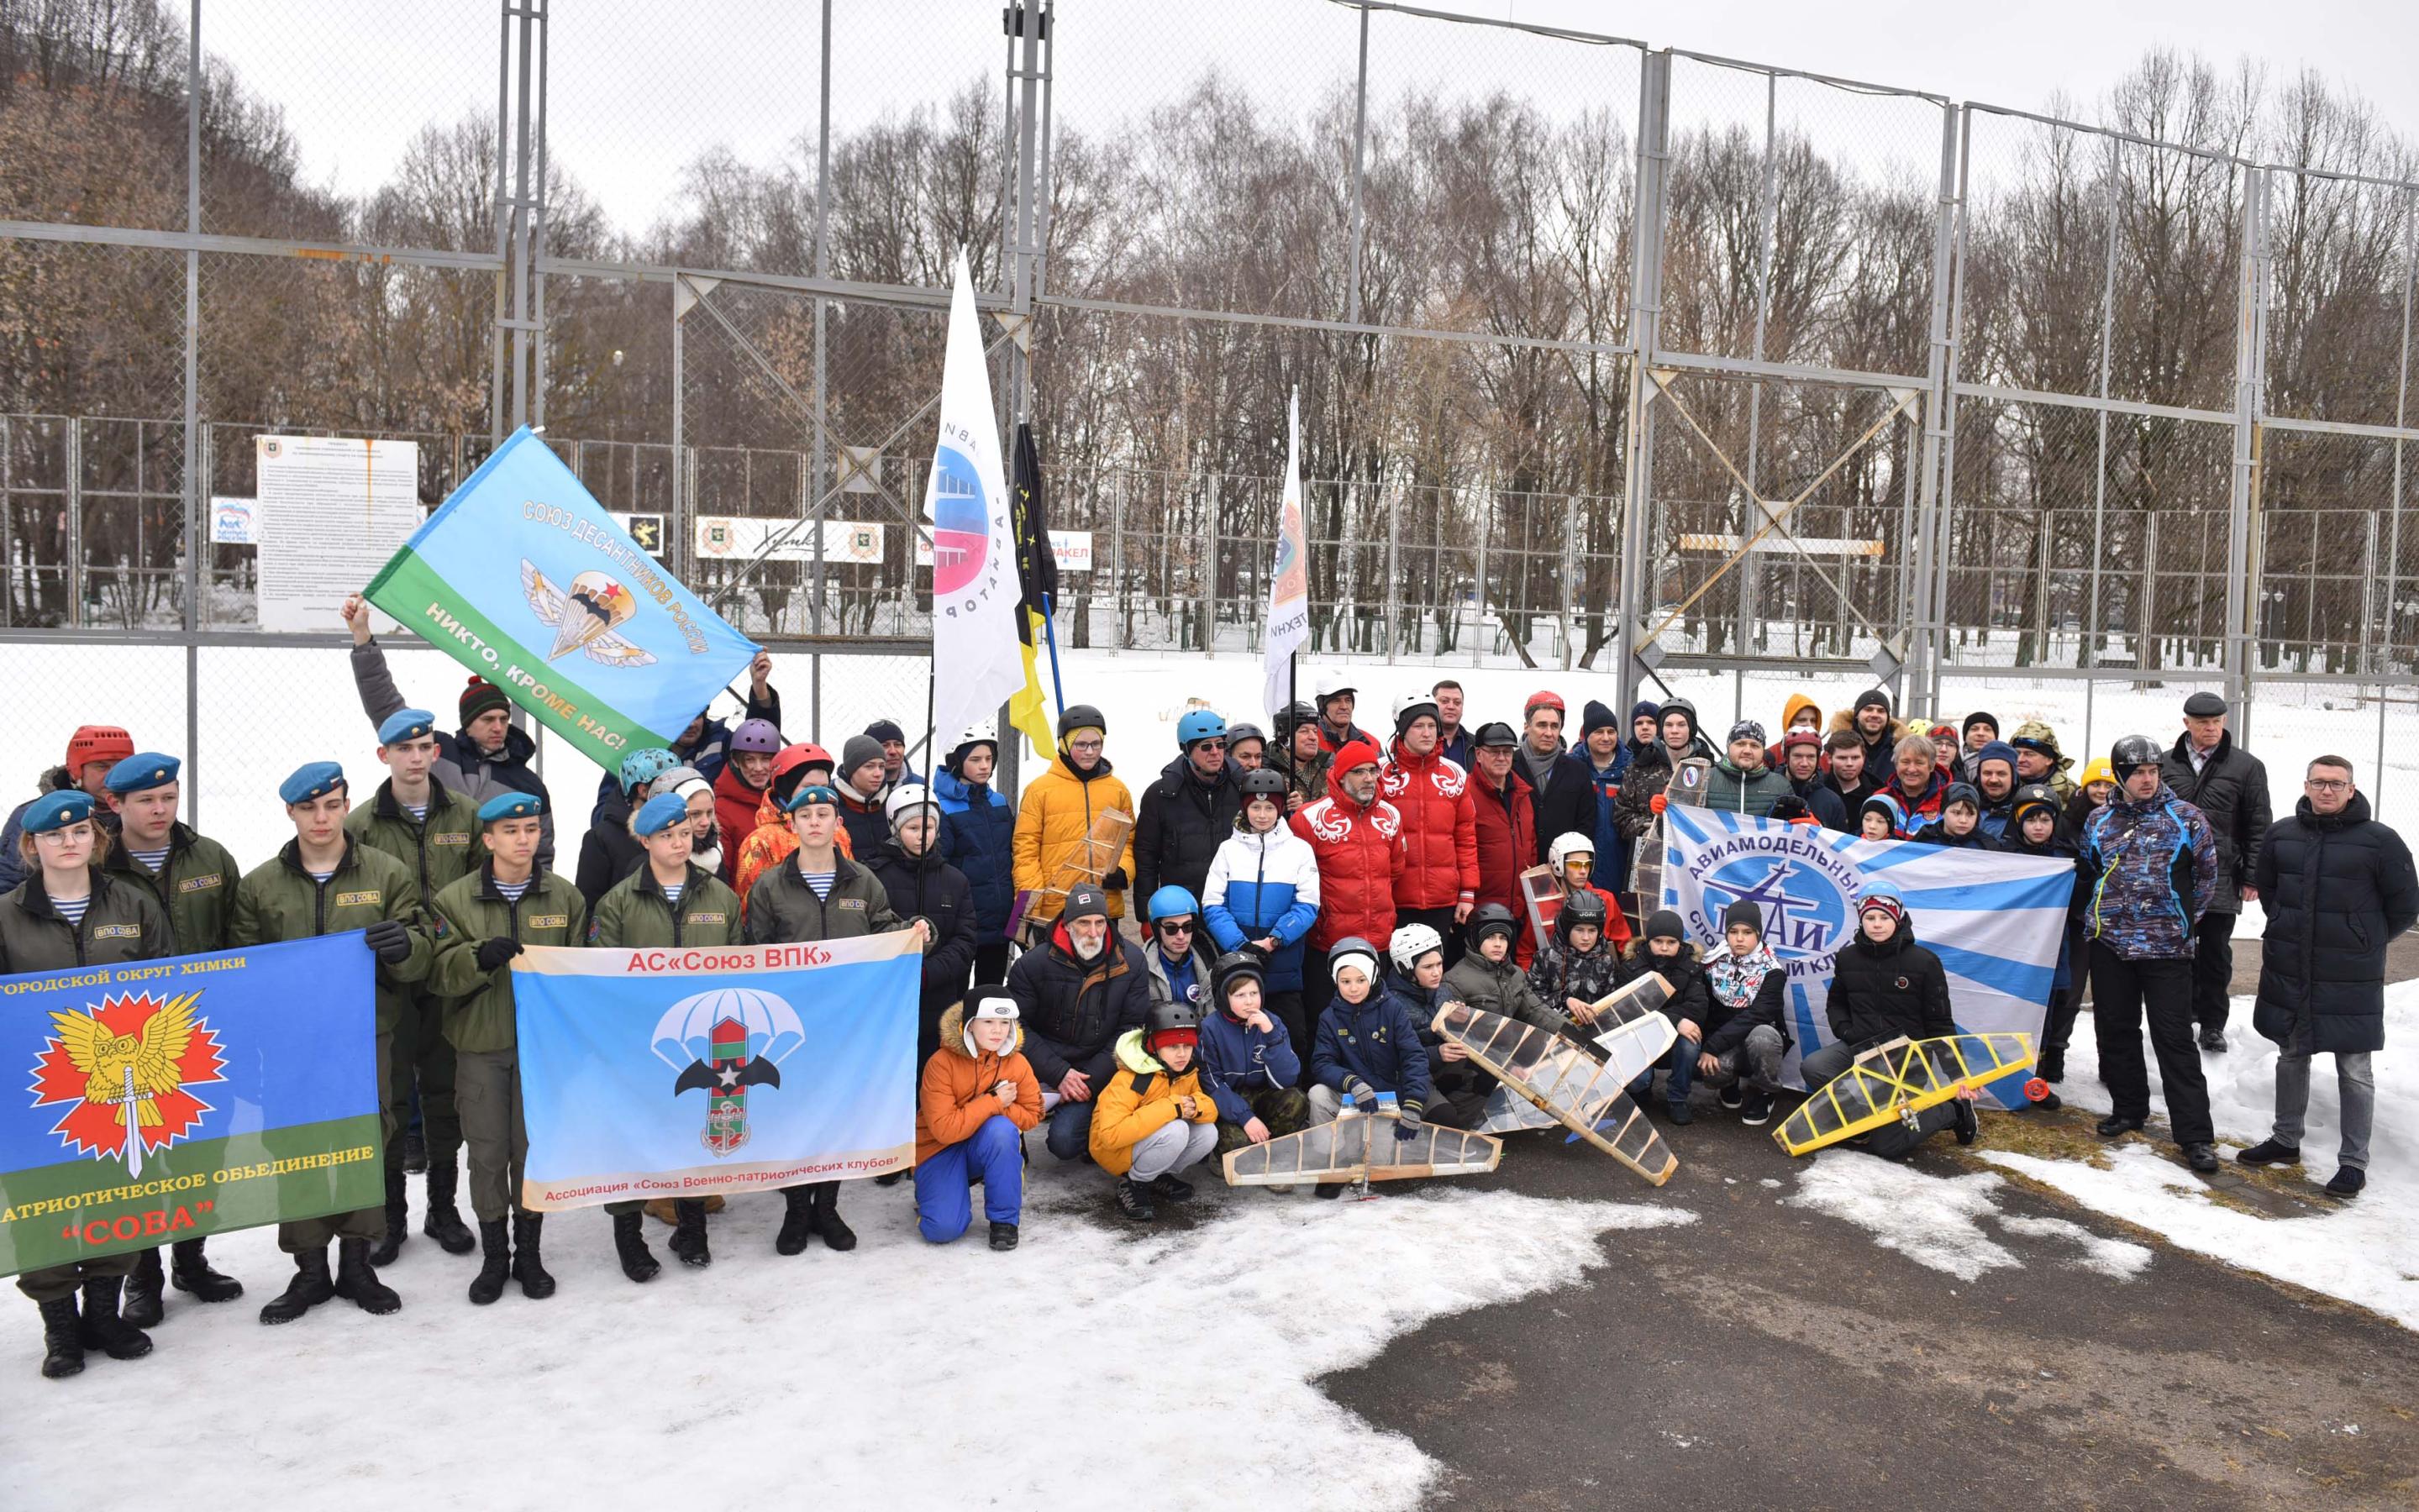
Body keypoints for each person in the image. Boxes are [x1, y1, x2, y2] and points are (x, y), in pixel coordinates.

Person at [229, 761, 430, 1326]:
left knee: (363, 1139)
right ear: (290, 812)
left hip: (364, 1036)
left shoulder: (387, 874)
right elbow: (245, 973)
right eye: (309, 808)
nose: (322, 818)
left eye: (333, 805)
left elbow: (421, 948)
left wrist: (404, 946)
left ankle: (358, 1263)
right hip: (291, 1044)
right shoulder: (260, 885)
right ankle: (310, 1268)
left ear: (346, 805)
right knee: (295, 1143)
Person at [3, 790, 173, 1378]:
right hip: (38, 1092)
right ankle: (61, 1327)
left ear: (96, 841)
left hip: (121, 1086)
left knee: (120, 1191)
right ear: (32, 846)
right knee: (42, 1202)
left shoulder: (133, 902)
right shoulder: (6, 916)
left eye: (79, 834)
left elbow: (165, 984)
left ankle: (103, 1313)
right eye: (54, 836)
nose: (68, 844)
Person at [744, 780, 931, 1252]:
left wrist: (914, 931)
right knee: (794, 1114)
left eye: (823, 815)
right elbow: (756, 952)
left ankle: (826, 1206)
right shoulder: (771, 885)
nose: (814, 823)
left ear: (836, 822)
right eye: (805, 816)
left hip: (846, 1024)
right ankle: (795, 1209)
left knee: (835, 1113)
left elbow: (884, 927)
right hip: (790, 1025)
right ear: (792, 823)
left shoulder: (862, 880)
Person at [96, 752, 245, 1320]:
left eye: (169, 798)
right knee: (136, 1158)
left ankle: (190, 1257)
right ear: (116, 805)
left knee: (203, 1154)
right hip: (127, 1050)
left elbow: (239, 941)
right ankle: (144, 1275)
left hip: (203, 1037)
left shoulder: (209, 857)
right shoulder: (100, 868)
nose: (160, 810)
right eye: (146, 801)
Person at [429, 790, 588, 1304]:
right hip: (482, 1045)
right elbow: (436, 976)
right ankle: (495, 1255)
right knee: (488, 1152)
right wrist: (476, 957)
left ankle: (531, 1252)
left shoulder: (565, 899)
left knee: (533, 1151)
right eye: (512, 832)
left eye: (532, 830)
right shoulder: (453, 901)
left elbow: (582, 972)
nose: (524, 840)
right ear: (489, 839)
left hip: (543, 1052)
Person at [2238, 757, 2419, 1200]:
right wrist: (2286, 923)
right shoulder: (2282, 834)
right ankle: (2286, 1139)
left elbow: (2405, 907)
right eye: (2319, 782)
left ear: (2352, 789)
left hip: (2351, 973)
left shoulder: (2381, 842)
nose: (2327, 790)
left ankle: (2354, 1162)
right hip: (2292, 966)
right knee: (2291, 1054)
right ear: (2305, 785)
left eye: (2336, 784)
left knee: (2355, 1068)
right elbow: (2271, 892)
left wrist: (2364, 939)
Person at [342, 711, 485, 1265]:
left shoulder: (466, 816)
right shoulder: (361, 825)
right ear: (385, 756)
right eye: (405, 748)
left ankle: (444, 1209)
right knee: (391, 1099)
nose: (417, 757)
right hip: (389, 982)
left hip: (449, 979)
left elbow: (481, 891)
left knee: (445, 1098)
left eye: (425, 746)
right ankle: (390, 1215)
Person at [586, 790, 744, 1277]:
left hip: (703, 1041)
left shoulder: (719, 896)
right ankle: (629, 1237)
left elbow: (738, 966)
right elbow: (602, 976)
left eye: (684, 833)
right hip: (638, 1043)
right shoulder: (618, 903)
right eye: (667, 836)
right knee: (632, 1136)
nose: (679, 842)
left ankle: (691, 1228)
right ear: (644, 840)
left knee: (694, 1131)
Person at [2080, 736, 2221, 1173]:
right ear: (2120, 775)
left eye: (2153, 771)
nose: (2147, 779)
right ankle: (2129, 1109)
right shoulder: (2099, 820)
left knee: (2174, 1038)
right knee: (2116, 1028)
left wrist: (2178, 921)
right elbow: (2092, 869)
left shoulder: (2186, 818)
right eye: (2138, 772)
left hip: (2166, 949)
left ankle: (2195, 1136)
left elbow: (2207, 877)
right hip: (2111, 944)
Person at [344, 596, 555, 862]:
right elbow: (384, 703)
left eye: (504, 718)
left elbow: (542, 855)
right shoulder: (435, 751)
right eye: (487, 720)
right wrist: (362, 637)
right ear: (468, 723)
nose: (498, 727)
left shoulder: (528, 784)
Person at [1803, 892, 1976, 1158]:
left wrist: (1958, 1075)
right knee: (1815, 1067)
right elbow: (1835, 1004)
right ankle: (1860, 1122)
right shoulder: (1847, 958)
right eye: (1870, 917)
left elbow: (1940, 1022)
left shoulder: (1925, 962)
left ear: (1898, 919)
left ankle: (1953, 1111)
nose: (1877, 924)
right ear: (1862, 921)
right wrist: (1847, 1032)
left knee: (1887, 1146)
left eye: (1884, 917)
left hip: (1907, 1057)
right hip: (1861, 1047)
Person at [2159, 693, 2272, 1053]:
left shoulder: (2247, 767)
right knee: (2175, 952)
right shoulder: (2163, 764)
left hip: (2222, 875)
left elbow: (2258, 823)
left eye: (2217, 721)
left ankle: (2212, 1024)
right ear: (2186, 723)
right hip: (2171, 877)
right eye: (2203, 722)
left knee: (2214, 954)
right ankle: (2178, 1018)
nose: (2211, 728)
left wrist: (2252, 875)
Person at [1007, 883, 1147, 1163]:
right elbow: (1015, 1025)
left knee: (1065, 1142)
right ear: (1067, 924)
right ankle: (1008, 1147)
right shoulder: (1033, 964)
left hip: (1098, 1070)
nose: (1093, 933)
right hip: (1047, 1064)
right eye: (1084, 923)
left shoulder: (1131, 961)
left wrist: (1088, 1081)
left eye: (1099, 923)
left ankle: (1094, 1122)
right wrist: (1059, 1073)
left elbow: (1131, 1029)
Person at [1309, 936, 1449, 1196]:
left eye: (1361, 980)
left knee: (1380, 1168)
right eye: (1346, 981)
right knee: (1317, 1094)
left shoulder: (1392, 1009)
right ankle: (1332, 1164)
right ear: (1335, 981)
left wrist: (1413, 1103)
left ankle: (1376, 1155)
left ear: (1372, 976)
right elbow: (1321, 1062)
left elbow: (1414, 1057)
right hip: (1353, 1096)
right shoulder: (1329, 1017)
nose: (1353, 988)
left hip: (1387, 1100)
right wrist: (1351, 1082)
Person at [1201, 767, 1322, 1068]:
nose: (1263, 815)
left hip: (1282, 964)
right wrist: (1241, 945)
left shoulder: (1299, 850)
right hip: (1238, 963)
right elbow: (1213, 904)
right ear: (1245, 807)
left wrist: (1274, 940)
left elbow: (1308, 904)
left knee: (1292, 1036)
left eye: (1270, 808)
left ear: (1280, 809)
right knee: (1239, 1038)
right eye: (1256, 807)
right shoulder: (1228, 850)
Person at [1290, 737, 1406, 1026]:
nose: (1369, 778)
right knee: (1327, 1024)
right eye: (1359, 772)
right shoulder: (1309, 818)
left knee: (1374, 1025)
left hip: (1378, 941)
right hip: (1329, 943)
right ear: (1341, 776)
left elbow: (1395, 870)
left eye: (1373, 770)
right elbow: (1299, 880)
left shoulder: (1391, 815)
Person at [915, 987, 1042, 1249]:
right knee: (942, 1229)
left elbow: (1033, 1114)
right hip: (938, 1150)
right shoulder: (940, 1063)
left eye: (1005, 1023)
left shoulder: (1016, 1062)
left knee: (1002, 1131)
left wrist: (1000, 1109)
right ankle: (933, 1194)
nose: (998, 1030)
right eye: (988, 1022)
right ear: (969, 1026)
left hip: (980, 1147)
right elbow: (944, 1130)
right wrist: (993, 1101)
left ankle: (1004, 1221)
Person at [865, 784, 980, 1069]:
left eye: (928, 827)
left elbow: (965, 941)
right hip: (887, 998)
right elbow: (866, 932)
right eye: (912, 828)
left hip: (938, 997)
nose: (921, 836)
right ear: (895, 829)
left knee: (931, 1072)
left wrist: (928, 973)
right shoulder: (872, 877)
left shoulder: (955, 880)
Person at [1090, 994, 1222, 1221]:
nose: (1182, 1054)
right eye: (1172, 1046)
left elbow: (1209, 1108)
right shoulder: (1132, 1077)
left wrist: (1196, 1106)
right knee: (1177, 1129)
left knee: (1209, 1132)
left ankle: (1159, 1175)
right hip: (1115, 1152)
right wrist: (1172, 1107)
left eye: (1187, 1046)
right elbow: (1111, 1135)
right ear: (1154, 1047)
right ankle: (1134, 1184)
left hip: (1153, 1140)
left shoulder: (1185, 1071)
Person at [1997, 783, 2087, 1108]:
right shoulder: (2001, 855)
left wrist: (2082, 876)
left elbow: (2079, 902)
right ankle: (2004, 1074)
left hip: (2050, 951)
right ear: (2019, 821)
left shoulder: (2065, 857)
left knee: (2044, 1016)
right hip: (2010, 952)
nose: (2038, 826)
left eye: (2045, 820)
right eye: (2031, 819)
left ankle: (2036, 1081)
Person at [1012, 704, 1138, 927]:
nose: (1090, 751)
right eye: (1081, 744)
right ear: (1064, 744)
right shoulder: (1039, 790)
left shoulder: (1118, 790)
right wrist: (1029, 909)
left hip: (1103, 908)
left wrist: (1123, 871)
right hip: (1056, 909)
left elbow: (1128, 840)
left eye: (1096, 744)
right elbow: (1026, 852)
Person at [1381, 691, 1478, 952]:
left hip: (1442, 901)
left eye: (1432, 726)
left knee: (1433, 972)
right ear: (1402, 730)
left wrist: (1467, 894)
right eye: (1418, 726)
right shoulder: (1381, 774)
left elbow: (1466, 838)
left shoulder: (1455, 774)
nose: (1427, 733)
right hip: (1394, 899)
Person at [1, 723, 136, 894]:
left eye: (121, 766)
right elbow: (7, 882)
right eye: (102, 766)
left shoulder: (147, 810)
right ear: (76, 771)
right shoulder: (32, 816)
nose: (113, 775)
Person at [1197, 951, 1308, 1158]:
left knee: (1296, 1100)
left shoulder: (1272, 1023)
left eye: (1254, 993)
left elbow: (1287, 1079)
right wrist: (1245, 1117)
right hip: (1228, 1103)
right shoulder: (1209, 1029)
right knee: (1237, 1144)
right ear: (1223, 997)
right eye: (1239, 995)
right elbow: (1211, 1083)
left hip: (1262, 1095)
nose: (1249, 1001)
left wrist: (1272, 1036)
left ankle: (1276, 1156)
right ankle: (1228, 1157)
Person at [935, 723, 1016, 984]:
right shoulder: (941, 806)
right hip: (963, 921)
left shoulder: (999, 802)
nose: (984, 766)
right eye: (975, 759)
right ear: (956, 761)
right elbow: (941, 863)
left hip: (999, 918)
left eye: (989, 759)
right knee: (955, 996)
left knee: (990, 991)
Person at [1134, 709, 1240, 906]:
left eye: (1221, 744)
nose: (1216, 752)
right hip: (1182, 907)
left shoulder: (1242, 787)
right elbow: (1146, 858)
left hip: (1231, 904)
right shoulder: (1160, 795)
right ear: (1187, 750)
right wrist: (1145, 913)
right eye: (1206, 746)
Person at [1696, 900, 1788, 1126]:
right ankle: (1729, 1083)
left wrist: (1713, 1046)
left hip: (1757, 1036)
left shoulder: (1773, 970)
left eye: (1747, 932)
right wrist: (1708, 1045)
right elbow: (1708, 1008)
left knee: (1762, 1037)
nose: (1739, 938)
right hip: (1728, 1040)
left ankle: (1765, 1092)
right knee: (1712, 1071)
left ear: (1758, 934)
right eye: (1733, 932)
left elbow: (1758, 1015)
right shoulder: (1713, 962)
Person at [1618, 910, 1711, 1121]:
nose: (1664, 947)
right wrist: (1675, 1020)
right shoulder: (1631, 967)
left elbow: (1698, 1007)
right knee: (1637, 1083)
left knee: (1691, 1039)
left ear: (1680, 943)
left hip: (1674, 1041)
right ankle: (1641, 1090)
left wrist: (1677, 1023)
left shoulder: (1692, 967)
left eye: (1671, 942)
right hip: (1640, 1037)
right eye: (1658, 941)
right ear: (1648, 941)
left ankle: (1677, 1099)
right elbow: (1628, 1011)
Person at [732, 743, 846, 903]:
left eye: (824, 787)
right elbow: (751, 904)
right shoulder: (761, 842)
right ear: (787, 788)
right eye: (808, 787)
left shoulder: (838, 832)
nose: (817, 795)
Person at [1467, 721, 1536, 969]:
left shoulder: (1523, 794)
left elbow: (1531, 846)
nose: (1501, 757)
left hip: (1517, 909)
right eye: (1494, 751)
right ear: (1478, 754)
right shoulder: (1465, 793)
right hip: (1479, 910)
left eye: (1507, 752)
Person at [577, 746, 678, 908]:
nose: (677, 791)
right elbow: (589, 906)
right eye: (668, 785)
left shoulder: (683, 831)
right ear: (643, 790)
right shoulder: (600, 838)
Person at [1444, 904, 1563, 1039]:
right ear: (1475, 939)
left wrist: (1574, 1033)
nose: (1498, 944)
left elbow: (1536, 1011)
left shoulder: (1516, 974)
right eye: (1490, 937)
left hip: (1512, 1053)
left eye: (1503, 938)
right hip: (1477, 1056)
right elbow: (1454, 1034)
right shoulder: (1454, 981)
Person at [1527, 889, 1621, 1036]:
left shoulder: (1606, 962)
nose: (1586, 937)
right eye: (1579, 930)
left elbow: (1614, 1007)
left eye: (1592, 931)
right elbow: (1530, 1002)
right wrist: (1564, 1000)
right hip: (1551, 1035)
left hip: (1595, 1038)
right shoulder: (1545, 959)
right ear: (1566, 928)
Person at [1517, 692, 1595, 864]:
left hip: (1563, 870)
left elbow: (1586, 822)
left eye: (1554, 726)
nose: (1549, 733)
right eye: (1542, 725)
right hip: (1519, 868)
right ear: (1526, 726)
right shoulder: (1510, 767)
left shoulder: (1577, 771)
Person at [710, 718, 786, 881]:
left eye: (766, 759)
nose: (758, 768)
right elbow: (723, 874)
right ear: (736, 761)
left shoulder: (786, 800)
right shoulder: (721, 809)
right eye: (749, 760)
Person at [1139, 885, 1215, 1017]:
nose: (1181, 936)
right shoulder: (1140, 968)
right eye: (1171, 929)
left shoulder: (1210, 962)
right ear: (1157, 929)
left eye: (1187, 927)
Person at [1702, 721, 1793, 817]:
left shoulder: (1780, 785)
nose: (1747, 751)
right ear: (1728, 746)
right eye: (1740, 744)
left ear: (1763, 750)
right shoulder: (1705, 778)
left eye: (1755, 746)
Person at [834, 733, 897, 861]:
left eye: (882, 766)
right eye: (869, 766)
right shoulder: (831, 804)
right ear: (851, 769)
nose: (878, 774)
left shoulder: (893, 801)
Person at [1778, 731, 1848, 831]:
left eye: (1811, 757)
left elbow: (1840, 844)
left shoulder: (1833, 802)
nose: (1804, 763)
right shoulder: (1768, 791)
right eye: (1798, 756)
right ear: (1787, 757)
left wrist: (1820, 830)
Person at [1270, 701, 1329, 814]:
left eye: (1315, 732)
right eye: (1304, 731)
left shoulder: (1329, 767)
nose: (1313, 737)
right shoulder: (1267, 769)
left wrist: (1305, 809)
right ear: (1284, 736)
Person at [1884, 732, 1950, 831]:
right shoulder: (1882, 798)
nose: (1911, 769)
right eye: (1905, 762)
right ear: (1896, 764)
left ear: (1931, 766)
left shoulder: (1948, 802)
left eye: (1919, 763)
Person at [2010, 720, 2080, 808]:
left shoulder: (2071, 793)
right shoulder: (2004, 786)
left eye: (2029, 754)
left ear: (2049, 760)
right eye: (2017, 753)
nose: (2020, 760)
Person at [1831, 689, 1901, 776]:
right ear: (1856, 715)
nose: (1875, 715)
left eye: (1881, 711)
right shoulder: (1837, 746)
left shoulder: (1899, 749)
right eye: (1868, 709)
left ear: (1887, 717)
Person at [1820, 729, 1880, 824]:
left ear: (1863, 757)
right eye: (1842, 758)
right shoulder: (1816, 790)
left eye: (1855, 758)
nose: (1849, 764)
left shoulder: (1878, 794)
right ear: (1829, 758)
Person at [1911, 783, 1991, 848]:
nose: (1963, 820)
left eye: (1970, 814)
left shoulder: (1987, 846)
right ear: (1942, 812)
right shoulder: (1924, 841)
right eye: (1956, 813)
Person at [1969, 741, 2020, 839]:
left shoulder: (2025, 811)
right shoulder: (1964, 806)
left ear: (2014, 776)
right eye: (1987, 773)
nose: (1993, 780)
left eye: (2001, 774)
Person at [1310, 672, 1370, 755]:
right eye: (1336, 701)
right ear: (1321, 706)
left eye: (1348, 700)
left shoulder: (1370, 743)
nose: (1344, 707)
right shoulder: (1309, 742)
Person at [2064, 755, 2117, 837]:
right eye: (2096, 784)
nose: (2102, 791)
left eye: (2109, 786)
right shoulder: (2070, 815)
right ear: (2085, 788)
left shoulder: (2127, 817)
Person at [864, 717, 923, 788]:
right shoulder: (860, 787)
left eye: (898, 745)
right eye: (885, 746)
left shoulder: (918, 785)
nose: (893, 751)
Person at [1432, 680, 1473, 769]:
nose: (1451, 707)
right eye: (1444, 701)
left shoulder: (1477, 745)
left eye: (1457, 702)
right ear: (1432, 705)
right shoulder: (1418, 743)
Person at [1959, 712, 2001, 781]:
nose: (1981, 733)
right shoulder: (1952, 761)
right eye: (1974, 729)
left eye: (1987, 730)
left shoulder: (2006, 764)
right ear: (1965, 735)